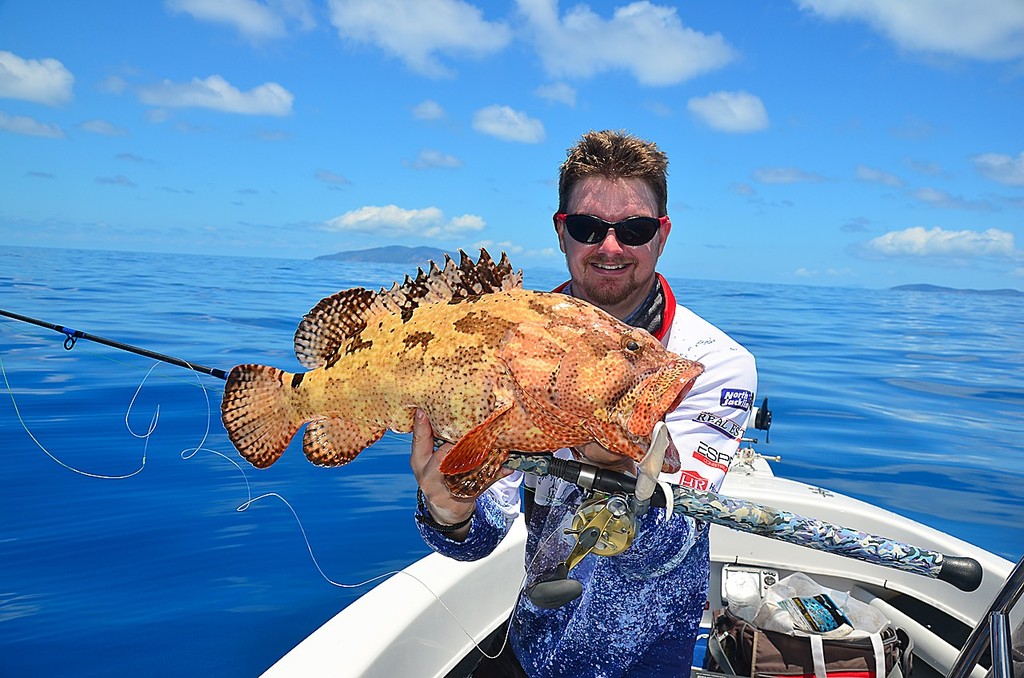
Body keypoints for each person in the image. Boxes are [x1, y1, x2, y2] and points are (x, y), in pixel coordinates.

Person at [410, 130, 758, 677]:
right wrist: (450, 513)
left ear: (661, 235)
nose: (610, 247)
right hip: (534, 647)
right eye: (587, 227)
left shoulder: (707, 363)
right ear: (561, 231)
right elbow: (480, 537)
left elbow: (668, 547)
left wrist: (620, 473)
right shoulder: (504, 344)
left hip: (646, 663)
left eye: (635, 229)